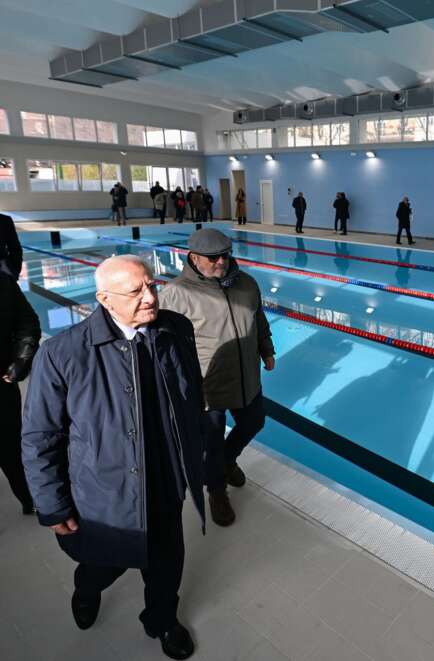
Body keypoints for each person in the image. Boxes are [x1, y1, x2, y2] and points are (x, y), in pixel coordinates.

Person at [22, 255, 206, 660]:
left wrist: (197, 451)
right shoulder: (62, 354)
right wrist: (53, 505)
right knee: (104, 562)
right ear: (104, 299)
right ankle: (87, 588)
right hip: (106, 490)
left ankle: (161, 620)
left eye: (152, 286)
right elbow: (39, 437)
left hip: (166, 479)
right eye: (135, 291)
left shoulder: (176, 329)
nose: (150, 297)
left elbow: (191, 392)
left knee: (166, 561)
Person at [158, 229, 275, 528]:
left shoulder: (247, 284)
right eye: (212, 257)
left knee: (254, 422)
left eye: (226, 254)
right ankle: (216, 491)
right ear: (194, 257)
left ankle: (225, 463)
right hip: (206, 383)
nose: (221, 261)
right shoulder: (176, 294)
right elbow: (163, 345)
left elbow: (258, 319)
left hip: (246, 374)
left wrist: (267, 350)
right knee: (210, 440)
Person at [1, 272, 39, 514]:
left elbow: (27, 322)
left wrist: (20, 361)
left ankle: (30, 499)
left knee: (10, 447)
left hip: (2, 383)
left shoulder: (3, 283)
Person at [0, 212, 23, 279]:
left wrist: (14, 271)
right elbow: (15, 249)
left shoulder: (4, 220)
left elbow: (15, 249)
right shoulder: (4, 220)